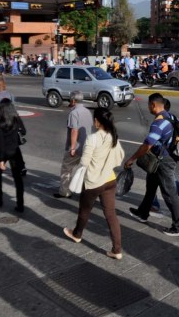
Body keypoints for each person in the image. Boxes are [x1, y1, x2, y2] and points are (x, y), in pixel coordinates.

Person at [63, 108, 125, 258]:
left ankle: (77, 234)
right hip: (110, 180)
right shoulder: (113, 136)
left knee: (84, 210)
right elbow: (120, 156)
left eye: (94, 118)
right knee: (111, 215)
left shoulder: (93, 138)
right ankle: (117, 250)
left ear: (97, 121)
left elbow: (84, 161)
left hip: (94, 182)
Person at [125, 93, 179, 237]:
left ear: (153, 105)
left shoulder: (158, 123)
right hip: (161, 159)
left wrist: (132, 159)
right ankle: (142, 213)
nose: (147, 107)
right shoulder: (171, 117)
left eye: (148, 105)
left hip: (163, 161)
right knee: (151, 187)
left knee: (170, 194)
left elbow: (147, 145)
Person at [54, 90, 93, 199]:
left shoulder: (74, 113)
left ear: (73, 100)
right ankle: (90, 193)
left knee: (66, 168)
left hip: (76, 148)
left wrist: (72, 148)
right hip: (87, 147)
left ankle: (65, 192)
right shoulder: (87, 112)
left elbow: (74, 130)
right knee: (87, 171)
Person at [0, 98, 27, 212]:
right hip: (15, 151)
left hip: (2, 152)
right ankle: (20, 204)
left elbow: (1, 141)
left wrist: (1, 159)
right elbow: (24, 131)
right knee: (18, 179)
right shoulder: (16, 119)